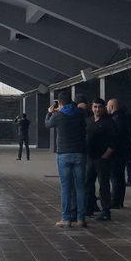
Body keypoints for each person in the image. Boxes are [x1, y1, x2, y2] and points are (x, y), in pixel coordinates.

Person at [45, 91, 87, 228]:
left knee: (66, 187)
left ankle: (66, 218)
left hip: (64, 154)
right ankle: (81, 219)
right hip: (79, 153)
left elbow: (47, 124)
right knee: (80, 187)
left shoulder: (58, 115)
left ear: (60, 103)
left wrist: (49, 112)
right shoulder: (80, 113)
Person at [86, 98, 117, 221]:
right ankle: (89, 207)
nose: (97, 109)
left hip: (102, 158)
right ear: (92, 108)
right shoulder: (88, 121)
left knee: (103, 185)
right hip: (89, 158)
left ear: (103, 108)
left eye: (99, 107)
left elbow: (115, 141)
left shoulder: (109, 122)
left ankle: (106, 211)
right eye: (95, 107)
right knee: (88, 183)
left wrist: (106, 155)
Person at [107, 98, 131, 208]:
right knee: (120, 177)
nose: (106, 108)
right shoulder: (126, 118)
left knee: (115, 177)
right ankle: (119, 201)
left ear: (112, 107)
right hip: (124, 151)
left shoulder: (115, 120)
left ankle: (115, 201)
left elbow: (114, 138)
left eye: (108, 106)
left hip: (116, 153)